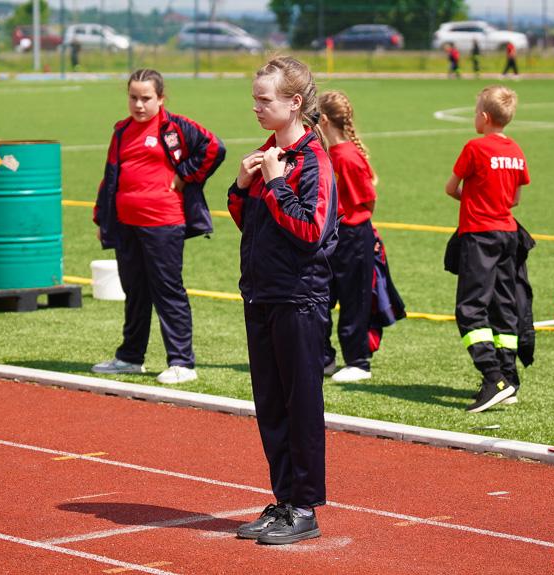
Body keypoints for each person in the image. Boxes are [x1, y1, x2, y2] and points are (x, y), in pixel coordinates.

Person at [228, 56, 338, 545]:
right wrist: (241, 186)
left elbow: (310, 233)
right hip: (261, 295)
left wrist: (273, 184)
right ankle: (284, 500)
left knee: (301, 407)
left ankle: (305, 507)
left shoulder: (314, 161)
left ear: (294, 103)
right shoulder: (264, 152)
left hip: (299, 300)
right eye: (254, 98)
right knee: (270, 406)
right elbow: (249, 225)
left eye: (265, 99)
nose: (256, 106)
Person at [92, 69, 225, 385]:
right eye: (133, 98)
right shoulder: (121, 130)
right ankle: (129, 358)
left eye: (146, 98)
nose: (139, 105)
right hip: (126, 224)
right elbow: (110, 175)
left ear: (161, 98)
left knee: (167, 291)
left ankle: (182, 362)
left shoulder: (175, 127)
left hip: (164, 223)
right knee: (134, 293)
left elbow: (214, 148)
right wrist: (102, 217)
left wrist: (185, 175)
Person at [444, 85, 530, 413]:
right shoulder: (517, 150)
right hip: (509, 235)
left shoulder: (475, 148)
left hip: (479, 236)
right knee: (504, 307)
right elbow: (516, 200)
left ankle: (494, 378)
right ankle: (509, 378)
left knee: (470, 309)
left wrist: (474, 199)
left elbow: (452, 188)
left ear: (483, 117)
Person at [318, 90, 379, 383]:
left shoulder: (347, 157)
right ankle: (325, 358)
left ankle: (358, 361)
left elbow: (367, 201)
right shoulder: (331, 153)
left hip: (353, 235)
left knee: (354, 299)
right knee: (323, 297)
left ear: (324, 119)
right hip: (333, 235)